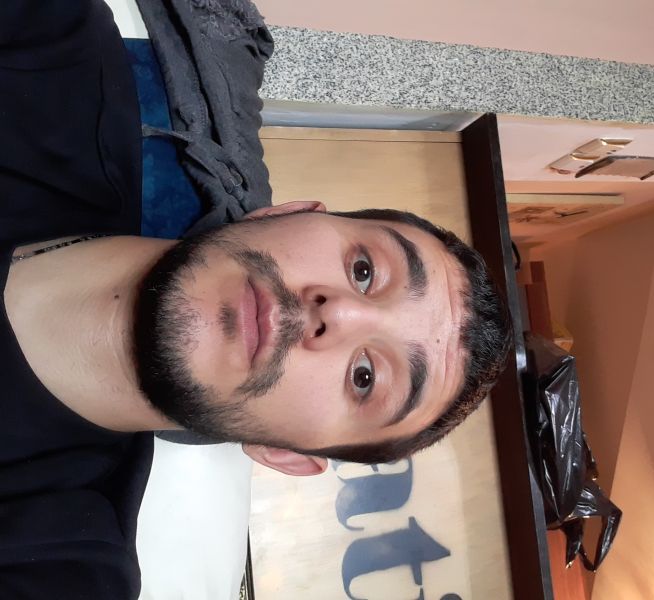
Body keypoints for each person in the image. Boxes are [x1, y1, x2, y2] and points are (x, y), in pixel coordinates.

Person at [0, 1, 510, 598]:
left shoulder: (58, 567)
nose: (339, 312)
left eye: (366, 378)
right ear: (283, 213)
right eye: (365, 269)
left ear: (285, 455)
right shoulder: (55, 56)